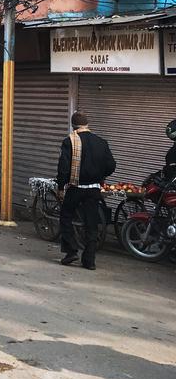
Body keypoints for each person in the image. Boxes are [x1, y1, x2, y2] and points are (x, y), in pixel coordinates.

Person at [57, 110, 116, 271]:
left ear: (73, 126)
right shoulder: (101, 142)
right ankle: (89, 261)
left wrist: (61, 187)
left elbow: (63, 167)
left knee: (66, 216)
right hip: (94, 190)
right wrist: (100, 174)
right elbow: (111, 165)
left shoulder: (69, 141)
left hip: (75, 188)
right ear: (87, 124)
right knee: (91, 223)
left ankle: (71, 251)